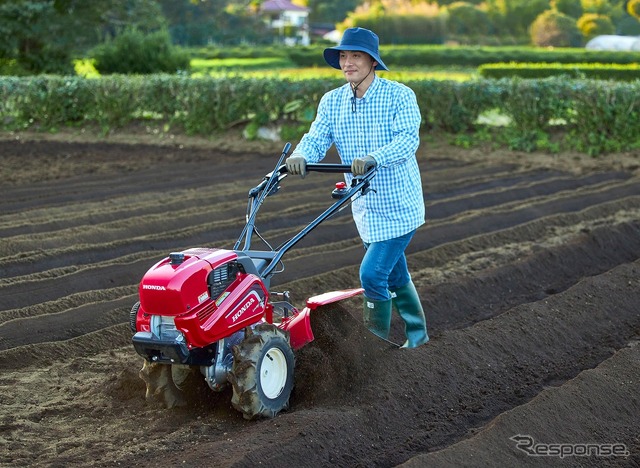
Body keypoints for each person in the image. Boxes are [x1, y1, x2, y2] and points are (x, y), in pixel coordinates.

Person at [285, 27, 428, 348]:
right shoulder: (332, 101)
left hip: (399, 203)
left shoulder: (400, 96)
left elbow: (407, 140)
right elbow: (318, 137)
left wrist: (375, 157)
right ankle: (418, 336)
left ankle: (372, 350)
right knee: (393, 273)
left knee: (373, 274)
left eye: (356, 56)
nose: (348, 62)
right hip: (364, 205)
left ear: (372, 61)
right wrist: (300, 156)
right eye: (344, 56)